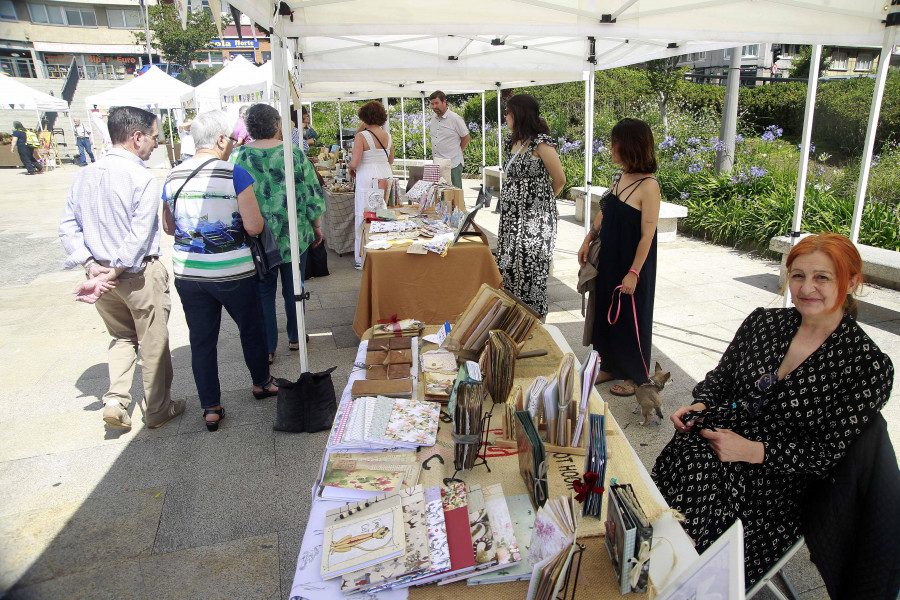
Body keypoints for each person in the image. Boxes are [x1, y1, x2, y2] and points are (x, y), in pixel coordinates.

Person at [652, 233, 894, 589]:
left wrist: (751, 450)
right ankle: (656, 560)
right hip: (705, 453)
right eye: (798, 276)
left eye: (822, 277)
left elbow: (825, 454)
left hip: (774, 490)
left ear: (853, 282)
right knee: (665, 510)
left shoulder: (867, 365)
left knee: (683, 551)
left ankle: (680, 576)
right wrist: (700, 404)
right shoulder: (764, 323)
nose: (806, 288)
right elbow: (720, 380)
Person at [58, 106, 185, 430]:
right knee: (152, 342)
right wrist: (112, 271)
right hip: (136, 275)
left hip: (100, 276)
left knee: (121, 337)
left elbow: (68, 227)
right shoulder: (141, 178)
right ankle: (157, 409)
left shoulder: (84, 174)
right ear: (136, 136)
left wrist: (91, 267)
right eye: (154, 138)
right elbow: (139, 234)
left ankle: (116, 399)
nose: (156, 144)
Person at [161, 111, 278, 432]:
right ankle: (261, 383)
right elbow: (254, 227)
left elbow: (168, 227)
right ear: (221, 140)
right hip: (234, 272)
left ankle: (211, 406)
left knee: (201, 340)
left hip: (189, 274)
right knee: (251, 329)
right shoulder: (233, 173)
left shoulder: (172, 176)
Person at [229, 104, 325, 363]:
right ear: (276, 125)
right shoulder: (293, 153)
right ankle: (295, 336)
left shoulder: (238, 157)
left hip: (257, 238)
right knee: (295, 286)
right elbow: (311, 193)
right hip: (294, 233)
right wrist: (316, 225)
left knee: (262, 291)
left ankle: (268, 346)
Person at [578, 118, 660, 396]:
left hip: (632, 263)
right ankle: (608, 364)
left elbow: (647, 235)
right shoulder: (620, 176)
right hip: (610, 258)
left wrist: (634, 273)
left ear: (631, 146)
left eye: (615, 143)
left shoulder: (649, 186)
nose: (611, 148)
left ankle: (636, 374)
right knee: (605, 311)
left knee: (630, 317)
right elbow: (605, 212)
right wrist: (588, 239)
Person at [495, 94, 565, 318]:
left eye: (508, 112)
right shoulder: (511, 142)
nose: (505, 116)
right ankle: (514, 321)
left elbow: (560, 179)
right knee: (509, 269)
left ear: (520, 114)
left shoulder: (541, 143)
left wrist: (540, 203)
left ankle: (535, 322)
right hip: (511, 220)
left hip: (535, 223)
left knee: (531, 272)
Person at [348, 100, 394, 269]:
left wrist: (350, 168)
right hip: (385, 175)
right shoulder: (387, 136)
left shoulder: (362, 136)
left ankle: (362, 257)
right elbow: (390, 160)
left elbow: (355, 162)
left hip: (367, 176)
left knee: (364, 215)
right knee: (383, 214)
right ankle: (383, 250)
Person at [428, 90, 470, 188]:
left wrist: (458, 151)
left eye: (437, 103)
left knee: (455, 197)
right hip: (437, 163)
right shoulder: (433, 119)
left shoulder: (455, 119)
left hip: (453, 164)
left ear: (444, 102)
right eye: (432, 104)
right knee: (440, 196)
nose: (434, 106)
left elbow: (466, 137)